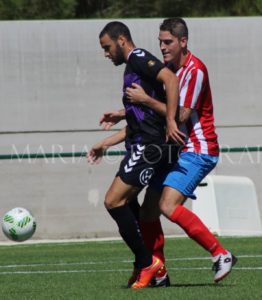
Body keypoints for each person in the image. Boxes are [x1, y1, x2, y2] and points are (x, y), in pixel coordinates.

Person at [99, 17, 238, 284]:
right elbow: (156, 114)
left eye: (168, 42)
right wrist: (123, 112)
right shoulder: (169, 68)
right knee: (149, 210)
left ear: (183, 41)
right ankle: (159, 272)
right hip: (175, 149)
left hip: (198, 149)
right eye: (160, 42)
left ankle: (221, 253)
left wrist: (146, 100)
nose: (162, 47)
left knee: (166, 205)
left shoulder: (194, 71)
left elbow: (181, 116)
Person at [88, 21, 184, 289]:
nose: (106, 54)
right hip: (139, 144)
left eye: (107, 47)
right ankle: (156, 270)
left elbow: (171, 79)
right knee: (129, 205)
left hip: (149, 146)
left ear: (121, 40)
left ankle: (146, 263)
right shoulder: (132, 68)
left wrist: (172, 120)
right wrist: (112, 130)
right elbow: (142, 113)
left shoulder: (139, 57)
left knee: (113, 201)